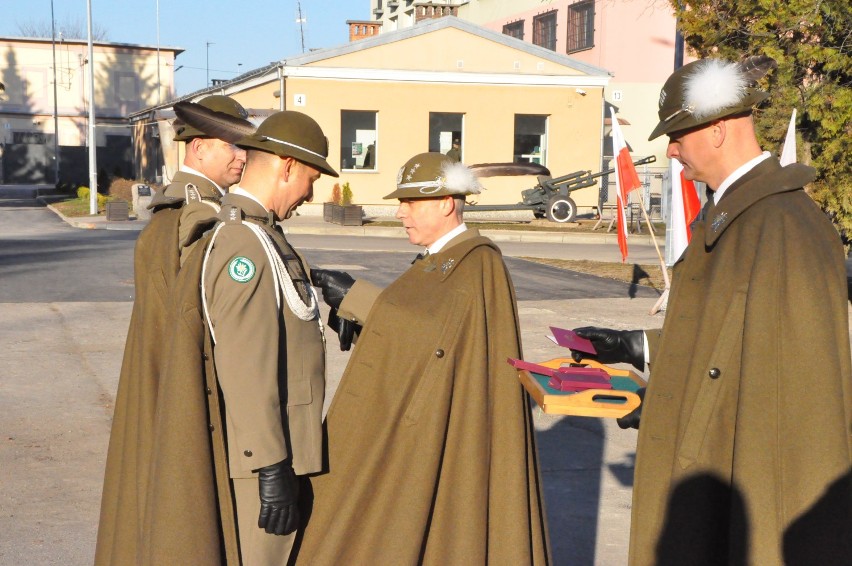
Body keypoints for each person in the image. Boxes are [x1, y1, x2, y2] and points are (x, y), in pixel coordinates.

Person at [569, 56, 852, 564]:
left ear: (719, 130)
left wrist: (768, 533)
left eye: (680, 135)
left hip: (744, 485)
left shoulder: (781, 225)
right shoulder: (735, 214)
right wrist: (640, 350)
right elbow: (728, 333)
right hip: (709, 462)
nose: (673, 151)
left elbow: (793, 399)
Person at [301, 152, 551, 564]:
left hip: (448, 427)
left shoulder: (478, 263)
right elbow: (424, 333)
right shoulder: (436, 260)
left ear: (446, 203)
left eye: (411, 203)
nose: (400, 213)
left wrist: (357, 299)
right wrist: (362, 319)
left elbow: (439, 341)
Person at [94, 95, 253, 566]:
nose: (244, 157)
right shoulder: (196, 218)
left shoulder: (182, 211)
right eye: (234, 146)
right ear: (199, 147)